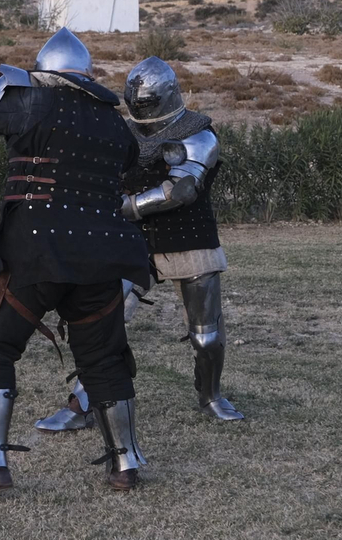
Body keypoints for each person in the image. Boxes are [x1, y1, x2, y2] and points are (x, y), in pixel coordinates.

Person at [0, 29, 153, 502]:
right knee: (103, 358)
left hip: (36, 249)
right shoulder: (116, 124)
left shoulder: (33, 101)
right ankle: (125, 462)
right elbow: (131, 163)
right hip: (103, 253)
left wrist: (4, 88)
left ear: (46, 73)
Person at [35, 56, 243, 429]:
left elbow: (180, 190)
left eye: (146, 101)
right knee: (99, 326)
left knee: (206, 337)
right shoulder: (123, 132)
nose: (141, 107)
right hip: (130, 243)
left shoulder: (199, 134)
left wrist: (125, 206)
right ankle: (85, 404)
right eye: (137, 101)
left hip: (189, 238)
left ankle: (210, 396)